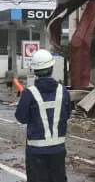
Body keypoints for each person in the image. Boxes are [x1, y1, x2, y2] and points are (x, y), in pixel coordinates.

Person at [15, 49, 71, 182]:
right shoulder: (62, 91)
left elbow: (21, 118)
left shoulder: (29, 93)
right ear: (51, 68)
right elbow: (67, 114)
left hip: (36, 152)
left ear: (34, 71)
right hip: (58, 151)